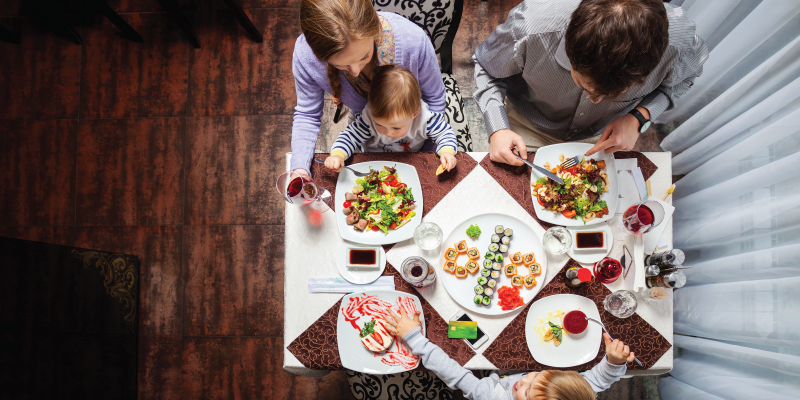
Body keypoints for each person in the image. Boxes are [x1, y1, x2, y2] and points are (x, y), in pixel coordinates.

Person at [474, 0, 709, 165]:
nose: (595, 100)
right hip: (527, 124)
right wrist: (498, 129)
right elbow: (487, 67)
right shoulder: (530, 26)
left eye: (614, 95)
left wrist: (639, 117)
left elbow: (684, 79)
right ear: (570, 47)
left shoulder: (680, 45)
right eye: (585, 86)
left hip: (606, 135)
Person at [292, 0, 447, 176]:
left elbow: (435, 100)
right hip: (367, 130)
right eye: (341, 65)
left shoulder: (413, 40)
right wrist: (299, 170)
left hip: (416, 133)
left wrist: (424, 158)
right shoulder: (306, 57)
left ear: (375, 30)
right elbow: (307, 115)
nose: (356, 72)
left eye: (364, 56)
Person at [386, 308, 633, 400]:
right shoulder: (573, 391)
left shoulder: (490, 396)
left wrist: (416, 338)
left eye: (525, 393)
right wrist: (613, 362)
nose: (521, 380)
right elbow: (599, 380)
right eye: (537, 377)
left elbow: (457, 377)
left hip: (488, 379)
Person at [325, 65, 458, 172]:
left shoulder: (425, 119)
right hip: (374, 162)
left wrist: (447, 151)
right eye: (380, 124)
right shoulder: (369, 118)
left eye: (396, 127)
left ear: (414, 114)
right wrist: (338, 154)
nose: (388, 132)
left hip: (410, 160)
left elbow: (445, 133)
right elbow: (349, 136)